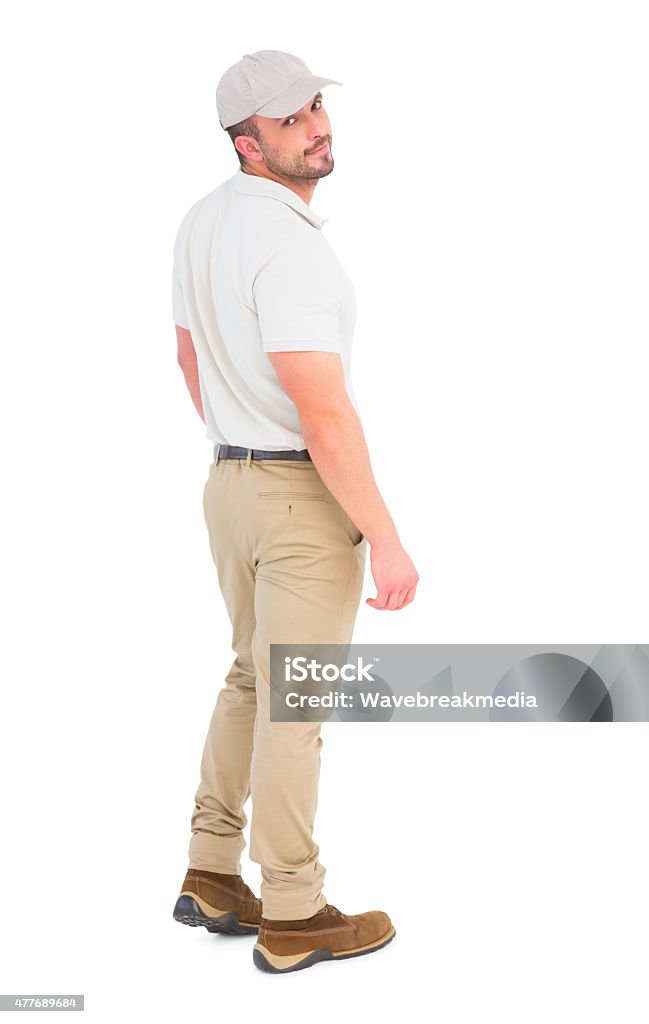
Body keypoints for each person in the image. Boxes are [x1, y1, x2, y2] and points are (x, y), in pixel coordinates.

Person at [170, 50, 419, 974]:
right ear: (248, 143)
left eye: (316, 104)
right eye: (291, 118)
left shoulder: (201, 224)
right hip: (293, 497)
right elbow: (322, 408)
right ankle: (295, 911)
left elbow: (191, 362)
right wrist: (384, 537)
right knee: (294, 704)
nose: (317, 124)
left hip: (228, 489)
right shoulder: (289, 244)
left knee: (248, 677)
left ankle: (209, 869)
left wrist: (240, 445)